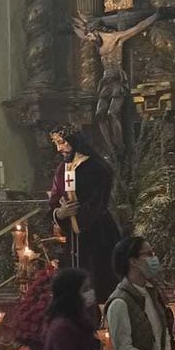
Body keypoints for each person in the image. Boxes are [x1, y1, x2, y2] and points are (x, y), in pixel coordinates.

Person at [49, 126, 120, 301]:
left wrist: (77, 220)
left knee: (100, 281)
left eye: (62, 142)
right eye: (56, 143)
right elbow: (54, 199)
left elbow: (98, 202)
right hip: (73, 239)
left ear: (74, 140)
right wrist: (60, 213)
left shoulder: (98, 167)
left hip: (97, 233)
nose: (59, 149)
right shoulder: (61, 169)